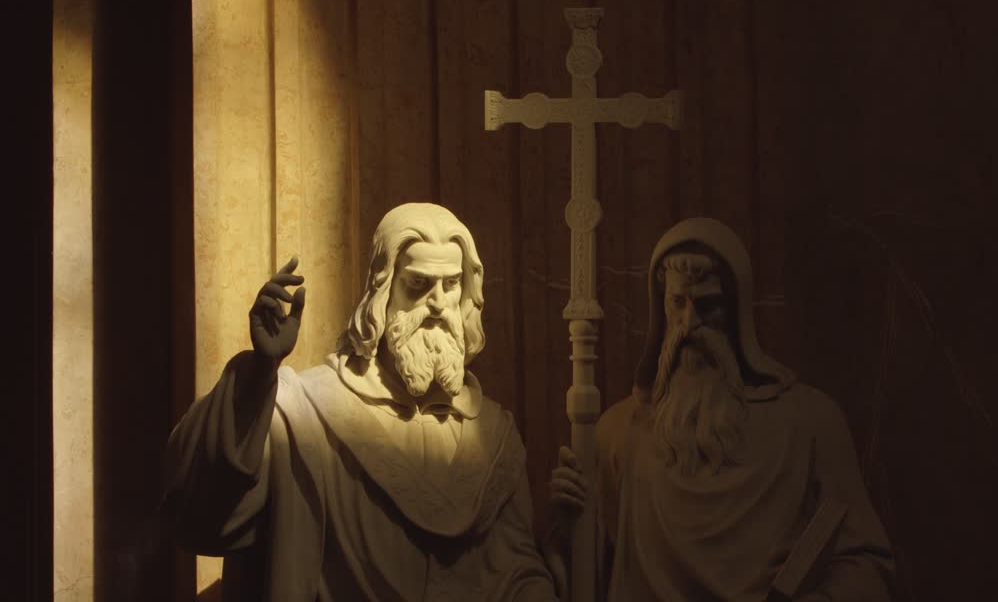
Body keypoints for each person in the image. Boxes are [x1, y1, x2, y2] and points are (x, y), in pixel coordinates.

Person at [163, 203, 557, 601]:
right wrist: (258, 373)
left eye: (451, 285)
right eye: (419, 285)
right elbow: (200, 517)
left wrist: (564, 546)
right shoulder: (304, 417)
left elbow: (515, 572)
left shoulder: (495, 439)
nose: (438, 304)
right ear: (381, 295)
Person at [548, 217, 895, 601]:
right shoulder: (617, 433)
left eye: (708, 305)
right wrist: (565, 530)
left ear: (737, 310)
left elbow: (867, 568)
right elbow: (583, 577)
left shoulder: (809, 424)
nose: (689, 323)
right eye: (677, 303)